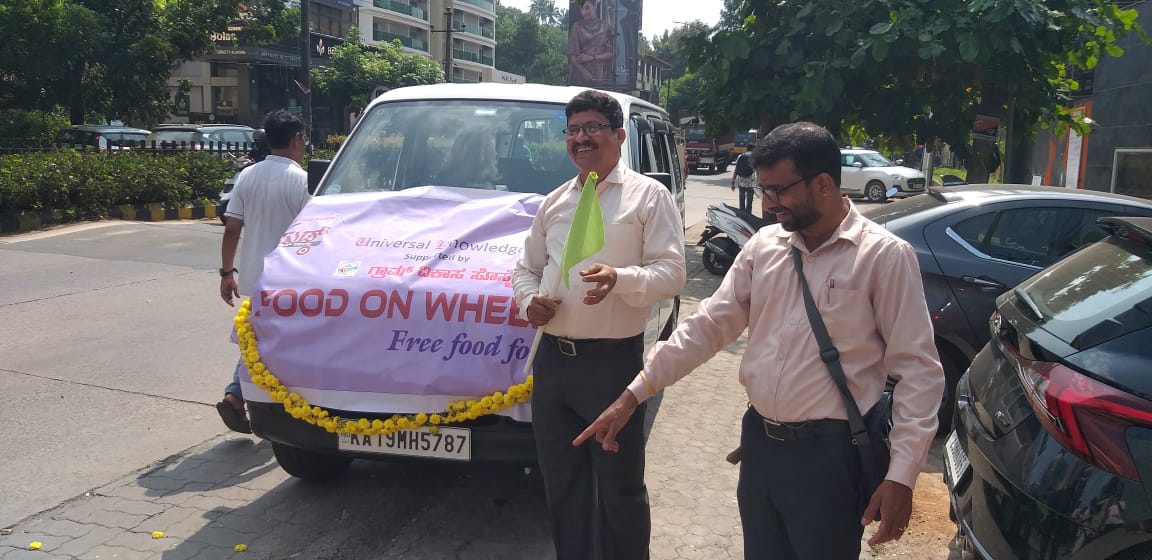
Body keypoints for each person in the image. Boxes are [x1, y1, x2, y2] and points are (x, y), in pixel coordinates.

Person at [575, 122, 945, 559]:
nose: (768, 204)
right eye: (763, 190)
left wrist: (901, 476)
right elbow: (708, 325)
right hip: (760, 448)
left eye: (779, 190)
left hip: (831, 459)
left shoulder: (883, 256)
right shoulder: (765, 247)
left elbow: (918, 372)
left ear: (823, 184)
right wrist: (633, 395)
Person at [512, 89, 686, 559]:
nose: (580, 138)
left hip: (612, 366)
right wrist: (529, 301)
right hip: (554, 364)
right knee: (561, 486)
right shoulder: (555, 201)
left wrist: (620, 278)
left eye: (592, 128)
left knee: (620, 488)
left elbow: (673, 273)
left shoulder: (648, 196)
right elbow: (526, 269)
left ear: (619, 135)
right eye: (573, 130)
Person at [216, 110, 311, 434]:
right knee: (282, 344)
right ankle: (270, 403)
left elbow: (232, 229)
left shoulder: (247, 176)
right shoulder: (302, 181)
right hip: (292, 280)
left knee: (259, 340)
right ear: (297, 139)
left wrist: (227, 273)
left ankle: (237, 395)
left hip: (256, 277)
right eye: (304, 139)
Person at [568, 0, 614, 86]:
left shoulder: (605, 27)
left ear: (595, 7)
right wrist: (583, 71)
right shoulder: (577, 27)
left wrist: (592, 57)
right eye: (581, 9)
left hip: (601, 77)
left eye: (587, 8)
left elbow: (612, 53)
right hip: (580, 78)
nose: (584, 12)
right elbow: (572, 56)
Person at [731, 145, 757, 213]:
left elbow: (736, 170)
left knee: (741, 201)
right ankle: (748, 216)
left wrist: (733, 182)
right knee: (749, 202)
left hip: (741, 182)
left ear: (746, 149)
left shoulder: (740, 156)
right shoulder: (755, 157)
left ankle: (742, 215)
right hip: (751, 183)